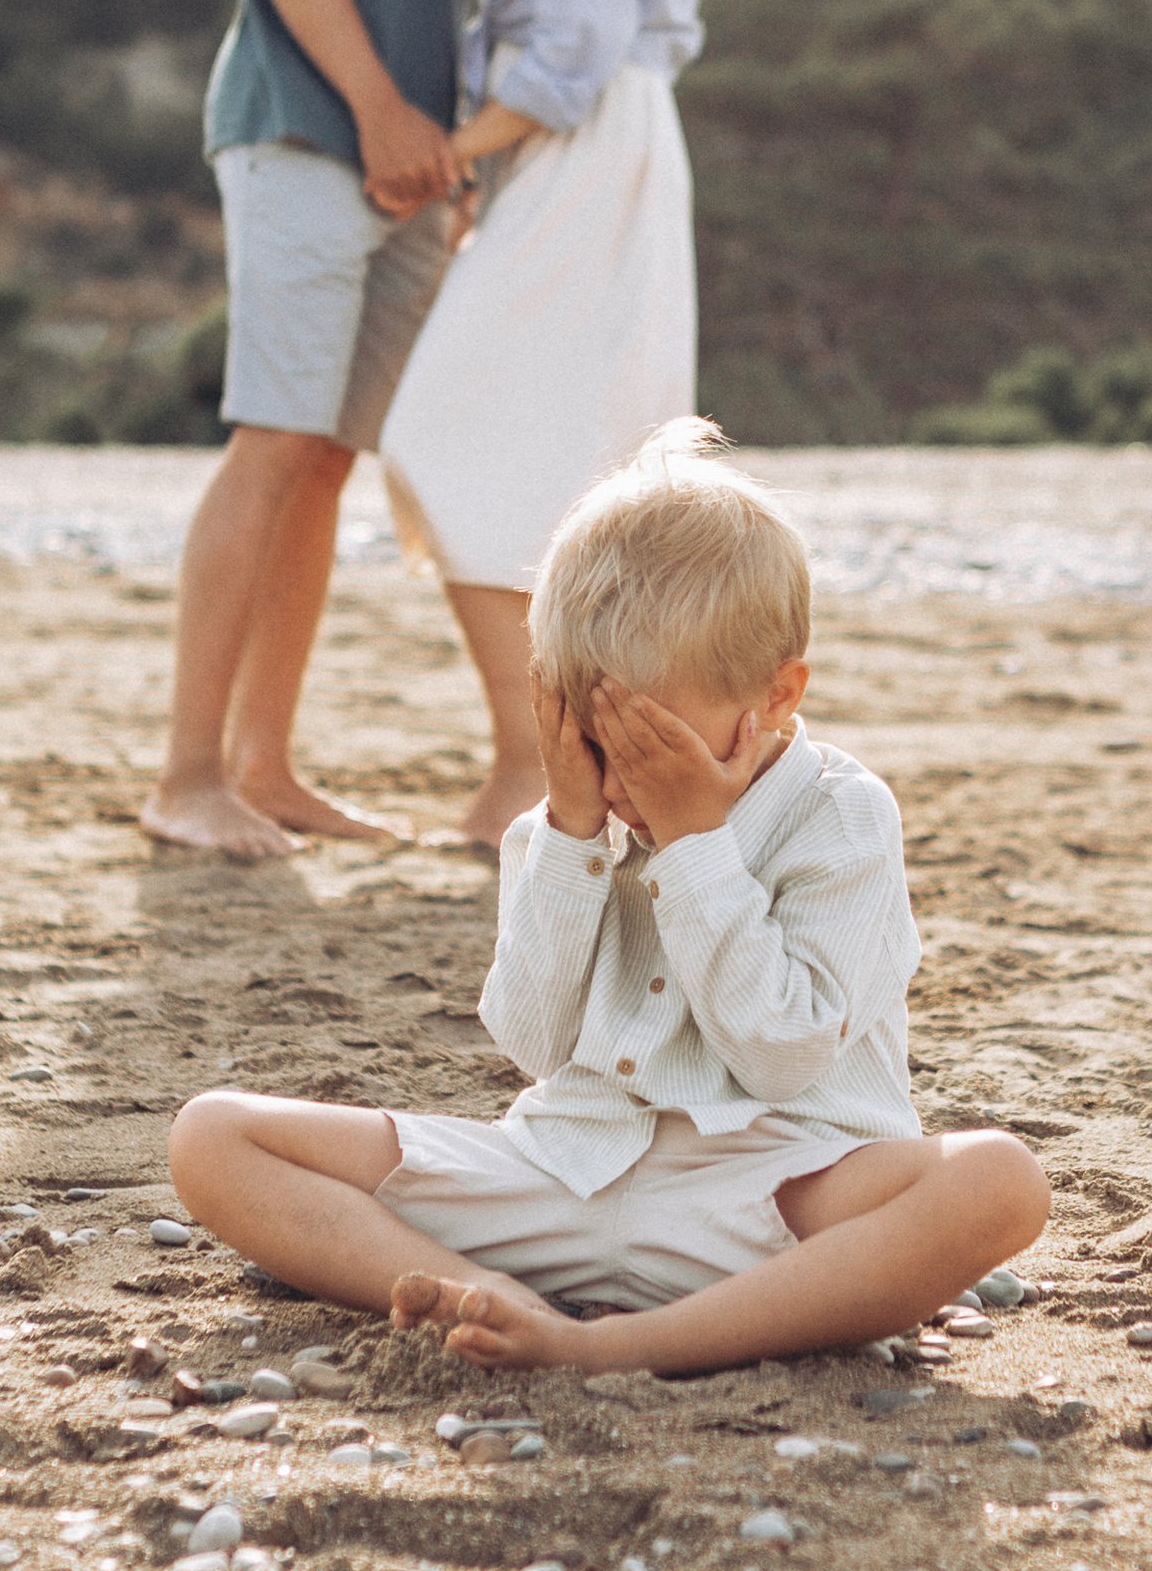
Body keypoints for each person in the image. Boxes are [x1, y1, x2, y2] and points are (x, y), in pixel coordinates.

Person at [167, 426, 1051, 1373]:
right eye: (591, 740)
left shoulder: (843, 816)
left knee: (1001, 1181)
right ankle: (490, 1298)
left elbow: (781, 1054)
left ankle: (628, 1344)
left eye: (650, 745)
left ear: (779, 695)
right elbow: (534, 1042)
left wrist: (697, 847)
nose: (617, 775)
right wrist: (571, 838)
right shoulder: (564, 826)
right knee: (213, 1136)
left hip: (775, 1186)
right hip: (564, 1171)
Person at [141, 0, 589, 862]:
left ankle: (266, 769)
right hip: (300, 125)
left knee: (330, 462)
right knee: (273, 441)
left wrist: (443, 153)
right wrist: (379, 108)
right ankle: (185, 777)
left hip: (411, 167)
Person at [381, 0, 752, 850]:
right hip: (606, 144)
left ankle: (539, 773)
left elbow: (579, 37)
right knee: (570, 459)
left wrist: (449, 150)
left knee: (448, 431)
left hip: (589, 140)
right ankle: (566, 773)